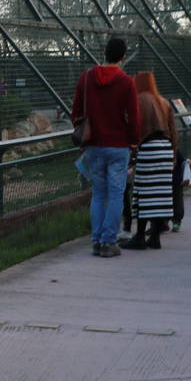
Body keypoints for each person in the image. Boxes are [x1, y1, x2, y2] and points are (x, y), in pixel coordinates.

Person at [71, 36, 141, 258]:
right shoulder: (127, 82)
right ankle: (109, 241)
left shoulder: (87, 78)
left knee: (99, 193)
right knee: (116, 194)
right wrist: (134, 140)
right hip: (119, 146)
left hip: (93, 146)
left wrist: (82, 134)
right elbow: (134, 116)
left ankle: (96, 240)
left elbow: (76, 110)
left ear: (104, 53)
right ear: (122, 56)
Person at [122, 72, 176, 250]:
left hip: (148, 148)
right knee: (160, 195)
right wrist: (173, 154)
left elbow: (133, 125)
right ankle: (154, 236)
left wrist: (132, 150)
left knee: (143, 193)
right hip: (165, 149)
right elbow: (173, 130)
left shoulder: (138, 100)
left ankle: (139, 235)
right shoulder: (163, 102)